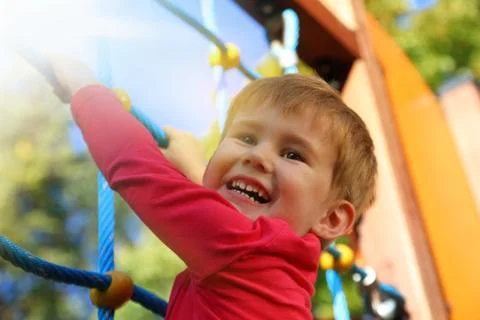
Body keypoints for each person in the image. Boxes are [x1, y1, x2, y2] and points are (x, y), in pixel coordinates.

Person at [50, 57, 377, 319]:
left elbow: (137, 167)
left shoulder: (248, 252)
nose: (257, 156)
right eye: (247, 138)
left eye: (293, 154)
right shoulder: (276, 273)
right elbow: (228, 218)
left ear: (332, 218)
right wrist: (197, 169)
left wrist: (85, 88)